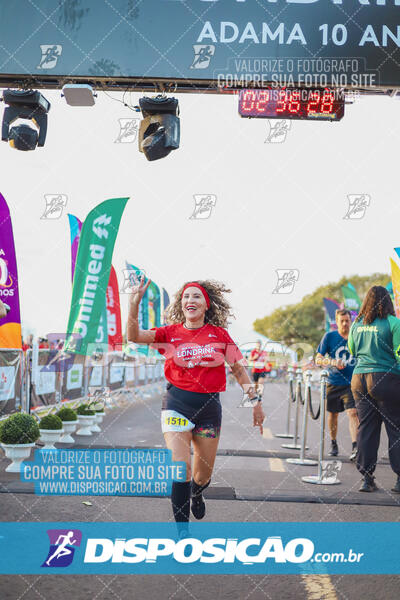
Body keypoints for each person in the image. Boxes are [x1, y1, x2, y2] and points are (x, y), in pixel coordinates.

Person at [127, 278, 265, 535]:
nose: (190, 300)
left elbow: (238, 369)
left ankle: (197, 493)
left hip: (209, 409)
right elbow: (133, 336)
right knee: (181, 467)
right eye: (186, 297)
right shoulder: (169, 333)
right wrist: (134, 304)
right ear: (182, 304)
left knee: (201, 476)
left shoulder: (220, 335)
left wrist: (255, 403)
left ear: (206, 305)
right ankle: (183, 533)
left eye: (196, 297)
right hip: (176, 405)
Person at [348, 285, 400, 493]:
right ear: (387, 301)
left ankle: (367, 479)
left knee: (367, 428)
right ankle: (399, 481)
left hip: (358, 379)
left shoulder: (357, 324)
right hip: (385, 377)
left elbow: (352, 350)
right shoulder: (393, 323)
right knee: (396, 429)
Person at [315, 309, 359, 461]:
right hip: (333, 382)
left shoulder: (356, 336)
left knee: (353, 413)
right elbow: (318, 359)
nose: (345, 324)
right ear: (336, 321)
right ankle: (333, 443)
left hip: (351, 383)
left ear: (351, 321)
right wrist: (332, 361)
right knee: (333, 415)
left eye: (347, 320)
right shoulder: (329, 336)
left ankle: (355, 446)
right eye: (342, 321)